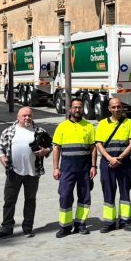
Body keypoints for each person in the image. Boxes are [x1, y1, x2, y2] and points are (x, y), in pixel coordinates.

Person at [0, 107, 51, 240]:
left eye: (29, 115)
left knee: (30, 201)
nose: (27, 118)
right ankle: (7, 229)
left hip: (33, 172)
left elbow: (50, 145)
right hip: (13, 172)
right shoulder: (8, 131)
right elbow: (0, 149)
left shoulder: (40, 131)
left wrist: (45, 151)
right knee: (9, 201)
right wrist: (4, 162)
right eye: (24, 115)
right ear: (18, 117)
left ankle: (27, 228)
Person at [52, 98, 97, 238]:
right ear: (70, 109)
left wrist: (94, 166)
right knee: (65, 196)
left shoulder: (89, 126)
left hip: (84, 169)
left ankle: (80, 224)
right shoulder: (62, 126)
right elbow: (56, 148)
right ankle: (65, 226)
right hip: (67, 169)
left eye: (80, 107)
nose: (77, 110)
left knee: (84, 197)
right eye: (75, 107)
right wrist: (56, 168)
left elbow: (93, 148)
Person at [95, 98, 131, 233]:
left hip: (124, 162)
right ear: (109, 108)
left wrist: (119, 158)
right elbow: (98, 144)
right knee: (108, 191)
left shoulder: (129, 123)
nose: (116, 109)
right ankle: (109, 222)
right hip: (106, 163)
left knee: (125, 191)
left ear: (122, 107)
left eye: (119, 107)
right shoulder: (102, 124)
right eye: (113, 107)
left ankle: (125, 221)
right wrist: (109, 158)